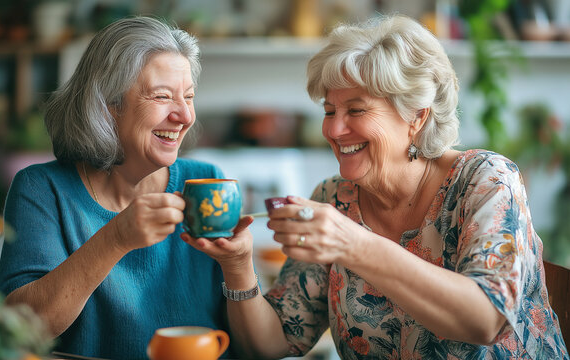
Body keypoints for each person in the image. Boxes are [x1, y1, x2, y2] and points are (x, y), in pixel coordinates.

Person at [183, 15, 569, 359]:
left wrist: (353, 243)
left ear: (416, 116)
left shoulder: (485, 180)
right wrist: (237, 267)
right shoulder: (335, 199)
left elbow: (485, 320)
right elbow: (272, 342)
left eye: (356, 109)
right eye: (329, 111)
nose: (334, 130)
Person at [0, 17, 234, 359]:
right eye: (162, 96)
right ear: (108, 105)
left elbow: (246, 334)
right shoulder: (42, 189)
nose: (184, 115)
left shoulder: (207, 182)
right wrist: (116, 238)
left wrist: (241, 267)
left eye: (189, 97)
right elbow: (18, 332)